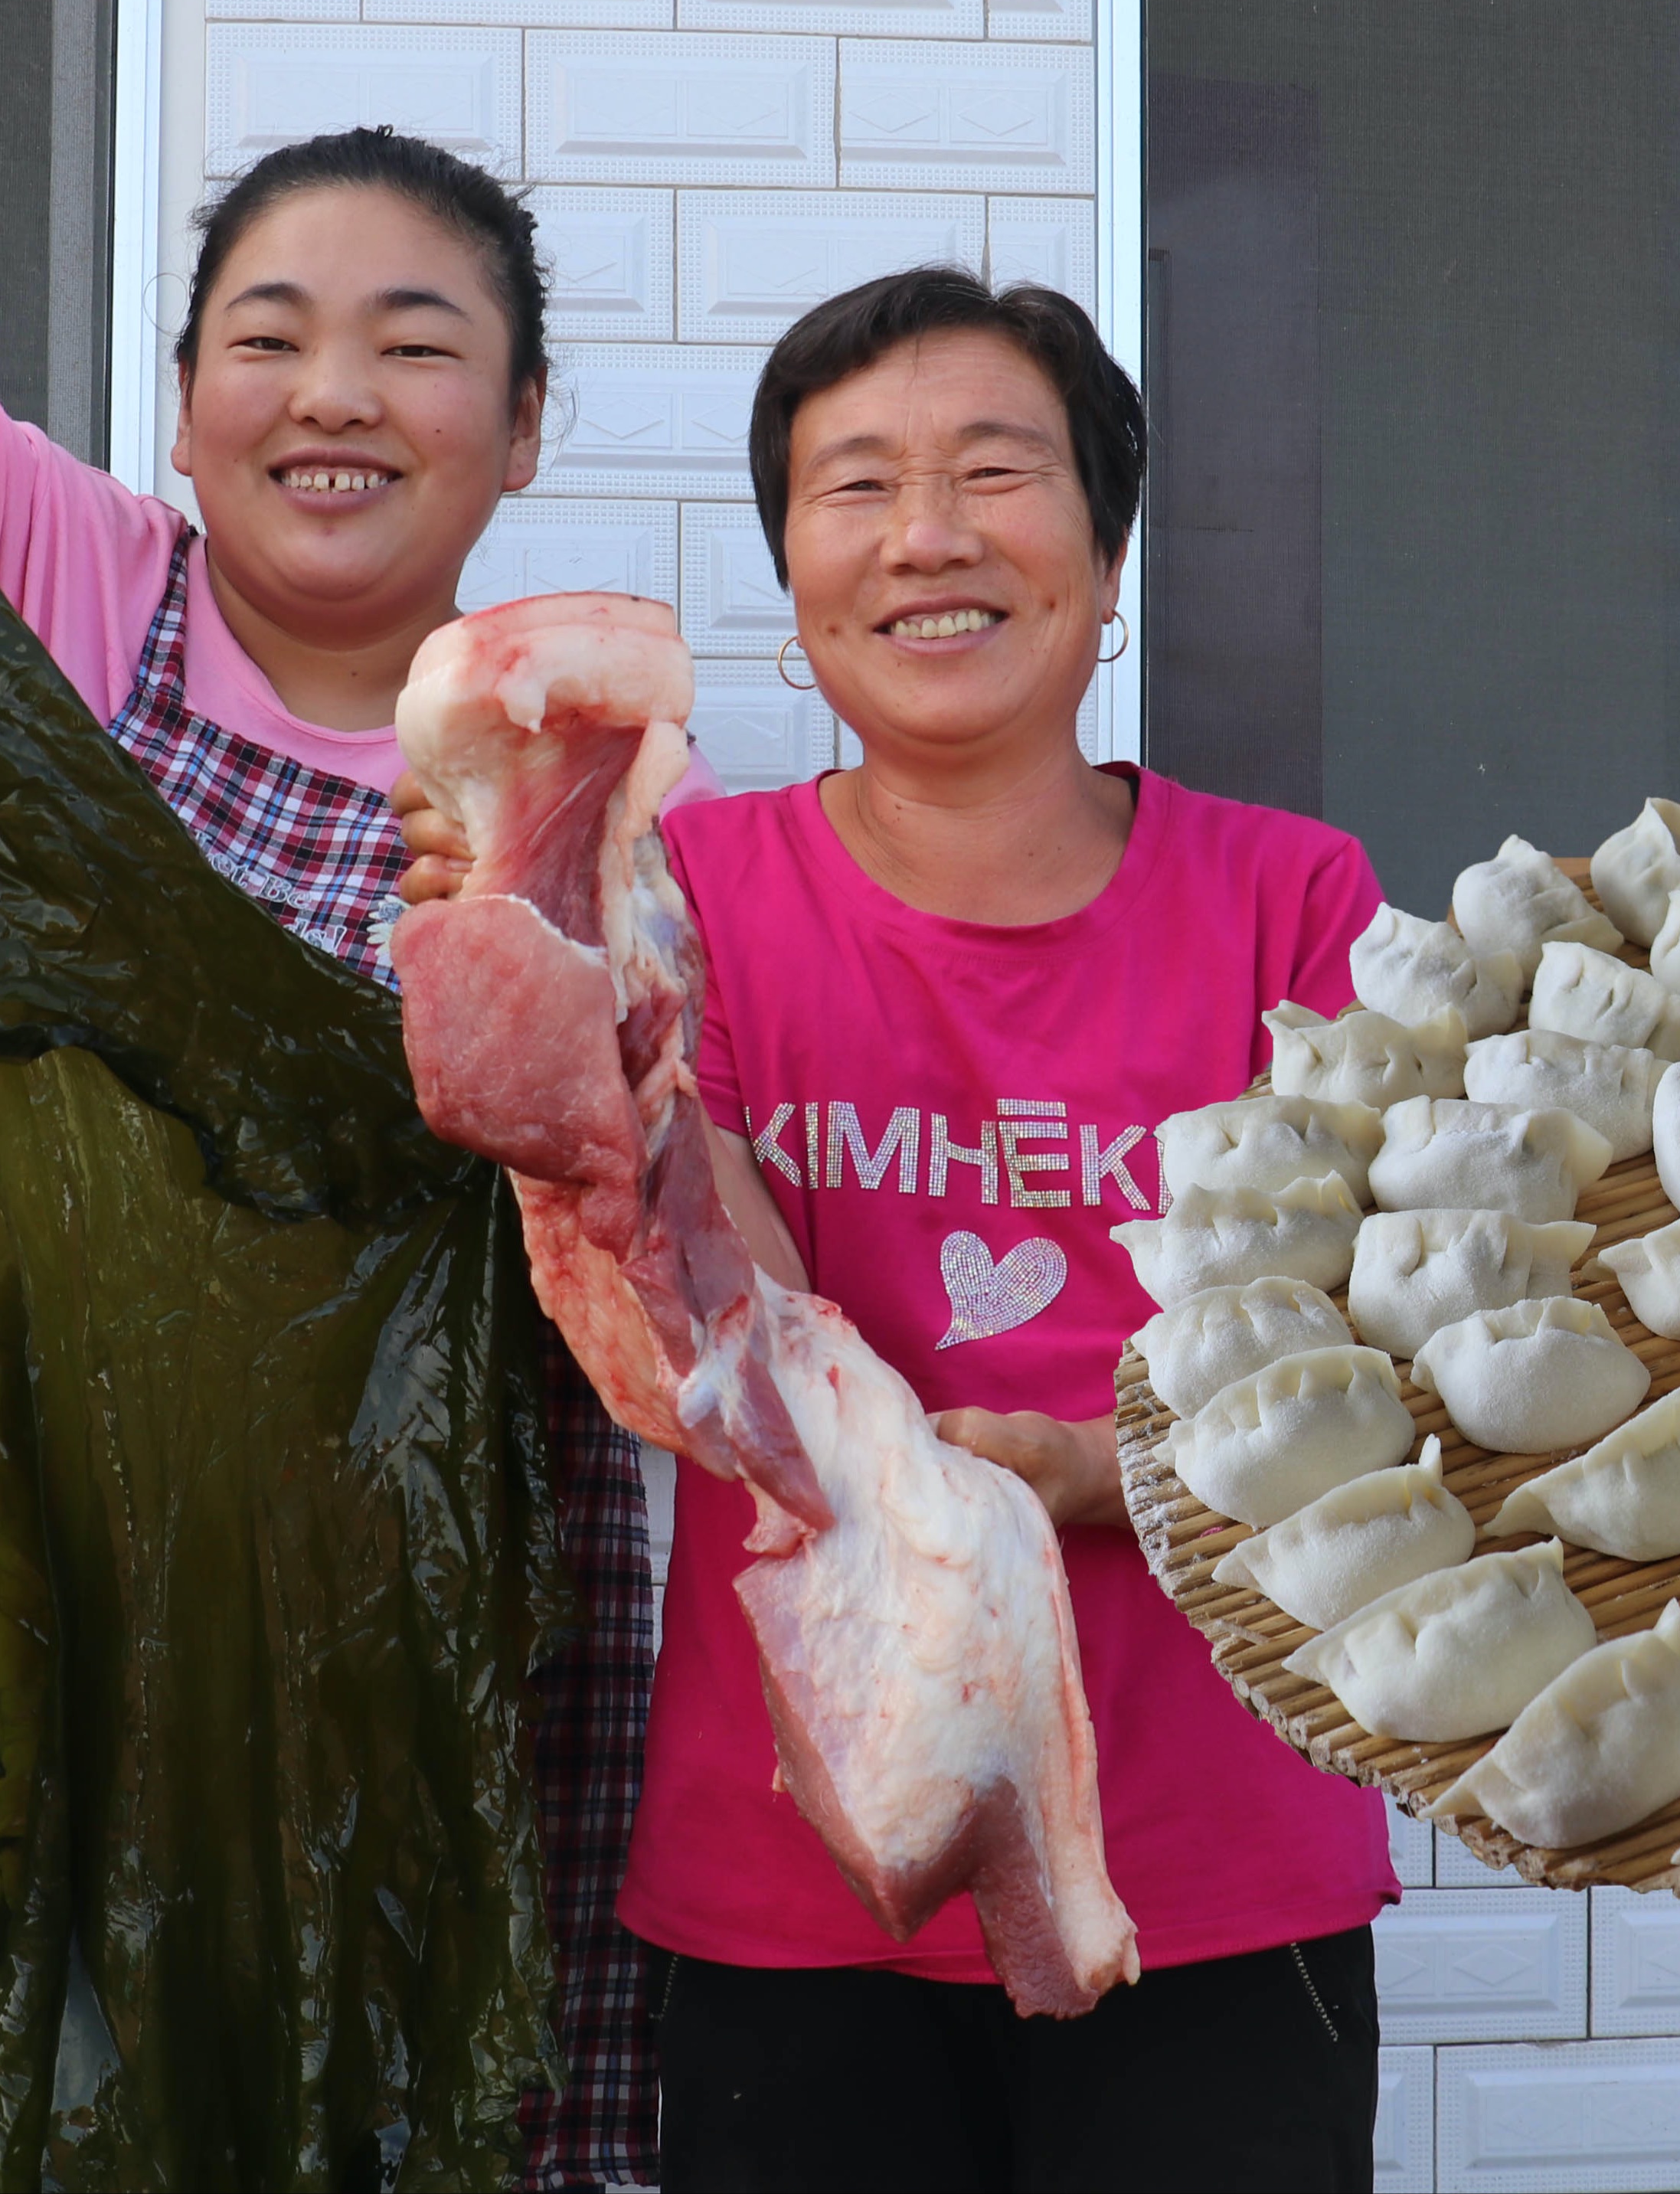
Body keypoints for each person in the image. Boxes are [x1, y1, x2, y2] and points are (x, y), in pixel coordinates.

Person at [0, 0, 666, 2193]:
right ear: (185, 390)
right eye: (272, 337)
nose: (333, 394)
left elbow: (643, 1235)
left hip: (442, 1676)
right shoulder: (58, 576)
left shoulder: (595, 743)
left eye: (417, 346)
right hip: (60, 1645)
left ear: (520, 429)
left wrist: (535, 1002)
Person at [403, 266, 1392, 2189]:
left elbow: (1370, 1363)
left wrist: (1117, 1472)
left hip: (1219, 1873)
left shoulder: (1293, 899)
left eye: (995, 472)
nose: (926, 535)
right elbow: (717, 1325)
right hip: (797, 1880)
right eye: (855, 485)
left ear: (1106, 561)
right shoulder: (702, 891)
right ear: (794, 584)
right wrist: (535, 942)